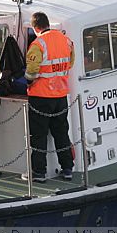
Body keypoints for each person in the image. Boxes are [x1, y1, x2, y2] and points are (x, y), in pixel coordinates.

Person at [24, 12, 76, 182]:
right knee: (61, 132)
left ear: (35, 27)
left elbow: (31, 71)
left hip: (41, 96)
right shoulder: (65, 40)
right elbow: (70, 62)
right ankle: (67, 168)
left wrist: (28, 81)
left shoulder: (38, 45)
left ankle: (39, 173)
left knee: (38, 136)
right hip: (60, 95)